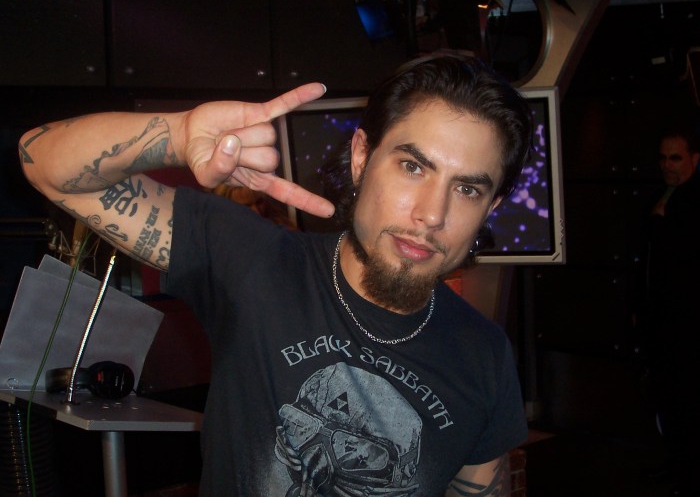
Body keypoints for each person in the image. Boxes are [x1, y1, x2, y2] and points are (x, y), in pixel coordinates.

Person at [19, 55, 532, 497]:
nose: (432, 214)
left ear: (490, 207)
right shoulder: (257, 261)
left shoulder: (484, 354)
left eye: (467, 189)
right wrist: (177, 134)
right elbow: (42, 162)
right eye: (413, 167)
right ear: (361, 157)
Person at [640, 124, 700, 497]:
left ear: (694, 159)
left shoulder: (689, 201)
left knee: (687, 400)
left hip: (687, 322)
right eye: (663, 158)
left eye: (675, 158)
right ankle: (677, 466)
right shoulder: (662, 195)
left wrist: (663, 223)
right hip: (663, 319)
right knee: (669, 398)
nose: (667, 165)